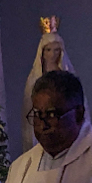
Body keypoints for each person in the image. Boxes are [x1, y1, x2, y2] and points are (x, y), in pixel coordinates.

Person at [21, 17, 77, 154]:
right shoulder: (35, 79)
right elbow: (30, 108)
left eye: (56, 50)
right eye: (48, 50)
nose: (52, 54)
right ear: (42, 52)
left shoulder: (67, 76)